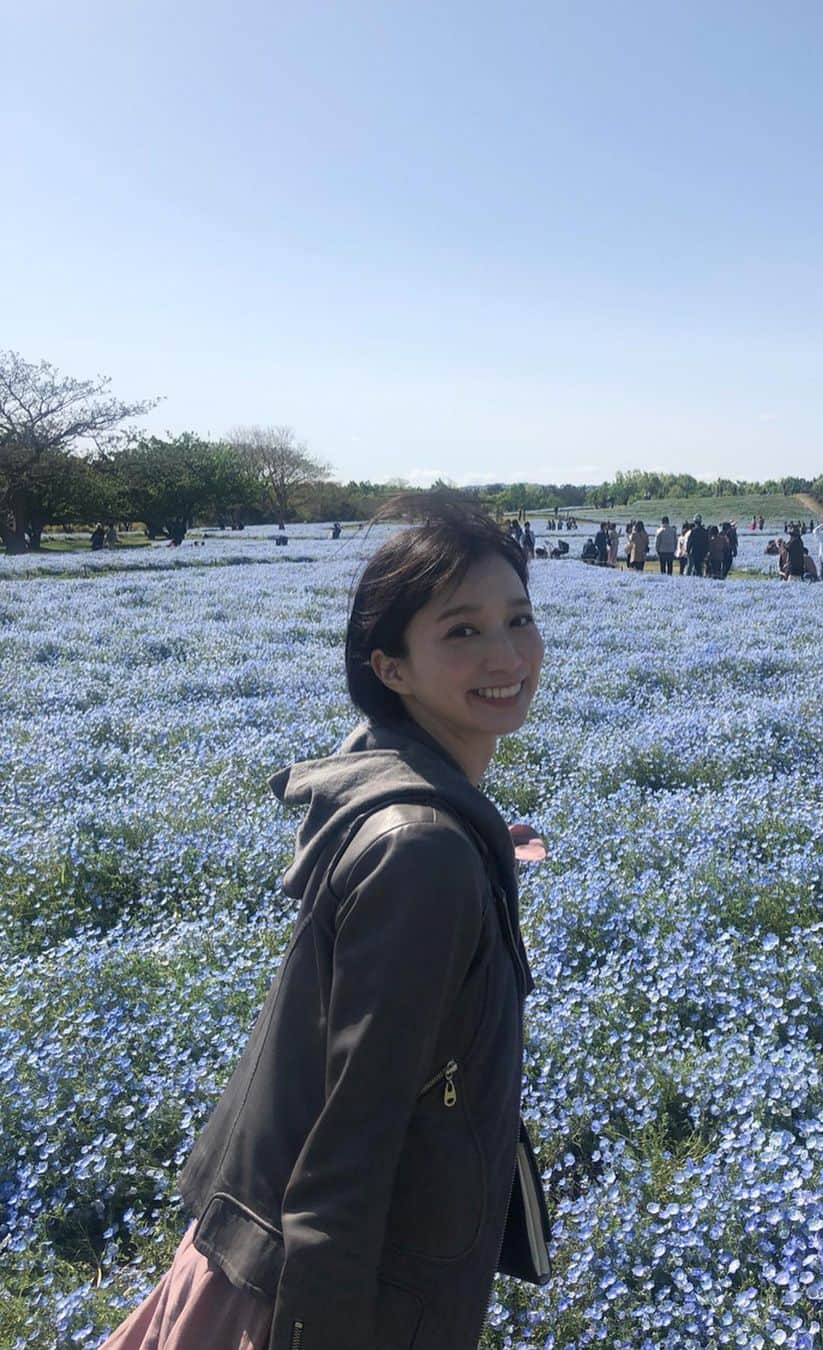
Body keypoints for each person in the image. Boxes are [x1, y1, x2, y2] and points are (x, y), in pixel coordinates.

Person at [102, 493, 552, 1350]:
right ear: (391, 667)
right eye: (462, 631)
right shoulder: (423, 849)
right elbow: (352, 1139)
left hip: (258, 1248)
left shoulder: (393, 783)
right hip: (316, 1295)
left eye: (519, 618)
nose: (507, 654)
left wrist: (481, 837)